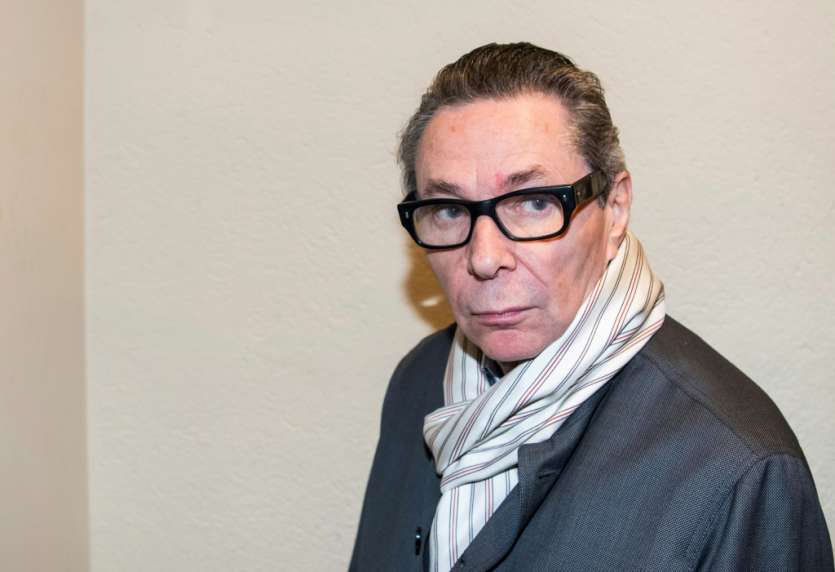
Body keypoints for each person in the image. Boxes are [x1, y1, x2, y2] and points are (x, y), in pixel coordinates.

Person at [349, 43, 833, 572]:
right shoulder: (418, 385)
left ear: (615, 207)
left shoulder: (737, 471)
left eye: (534, 202)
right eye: (447, 210)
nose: (484, 258)